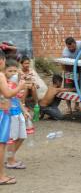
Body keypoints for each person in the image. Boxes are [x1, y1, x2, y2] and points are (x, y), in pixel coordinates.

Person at [0, 50, 25, 186]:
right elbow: (8, 93)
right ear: (2, 61)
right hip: (2, 113)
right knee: (1, 144)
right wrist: (20, 86)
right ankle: (1, 176)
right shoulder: (1, 76)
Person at [4, 59, 29, 169]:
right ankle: (10, 160)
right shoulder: (4, 84)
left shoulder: (15, 84)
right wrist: (19, 86)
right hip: (10, 115)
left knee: (22, 136)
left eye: (15, 71)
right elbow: (9, 96)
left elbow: (17, 99)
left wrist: (24, 110)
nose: (13, 73)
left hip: (18, 113)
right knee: (12, 139)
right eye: (10, 71)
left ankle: (11, 157)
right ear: (4, 72)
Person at [62, 37, 81, 114]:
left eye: (72, 46)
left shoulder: (80, 43)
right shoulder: (65, 53)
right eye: (69, 47)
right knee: (68, 89)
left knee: (77, 88)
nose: (71, 48)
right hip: (69, 71)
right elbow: (64, 65)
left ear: (75, 43)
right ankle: (69, 108)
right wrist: (68, 74)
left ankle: (76, 106)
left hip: (78, 69)